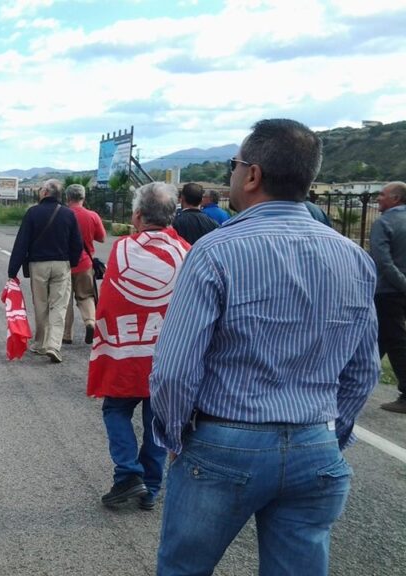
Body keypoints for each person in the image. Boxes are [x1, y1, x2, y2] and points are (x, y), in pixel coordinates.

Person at [151, 119, 380, 575]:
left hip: (224, 441)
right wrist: (331, 435)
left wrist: (174, 435)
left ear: (252, 175)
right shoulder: (354, 257)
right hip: (315, 441)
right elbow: (363, 370)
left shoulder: (216, 251)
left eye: (234, 166)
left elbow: (174, 370)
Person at [87, 182, 189, 511]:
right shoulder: (187, 252)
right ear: (172, 216)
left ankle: (128, 474)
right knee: (156, 422)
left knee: (116, 410)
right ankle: (151, 488)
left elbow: (112, 303)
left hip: (125, 352)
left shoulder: (123, 250)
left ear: (137, 216)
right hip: (167, 357)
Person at [7, 179, 83, 363]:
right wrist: (70, 262)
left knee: (40, 304)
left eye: (41, 188)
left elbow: (21, 242)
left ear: (45, 193)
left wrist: (12, 271)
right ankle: (54, 345)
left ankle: (41, 343)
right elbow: (77, 244)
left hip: (38, 265)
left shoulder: (33, 213)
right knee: (59, 305)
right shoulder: (68, 214)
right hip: (61, 264)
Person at [370, 181, 406, 414]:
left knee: (394, 340)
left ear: (395, 199)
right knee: (380, 339)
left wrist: (402, 284)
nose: (378, 199)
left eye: (382, 195)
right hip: (400, 291)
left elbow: (382, 262)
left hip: (388, 292)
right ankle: (357, 380)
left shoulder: (384, 223)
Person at [63, 183, 106, 345]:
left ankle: (67, 334)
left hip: (65, 263)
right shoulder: (92, 216)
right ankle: (90, 322)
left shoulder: (63, 214)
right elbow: (101, 238)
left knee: (65, 299)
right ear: (83, 197)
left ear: (67, 198)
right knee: (86, 295)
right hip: (85, 263)